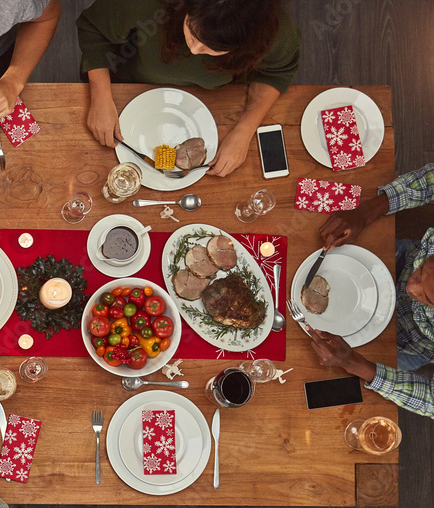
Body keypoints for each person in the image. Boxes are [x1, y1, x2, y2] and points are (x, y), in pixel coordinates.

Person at [77, 0, 301, 177]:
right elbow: (93, 30)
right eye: (192, 31)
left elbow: (275, 72)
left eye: (214, 48)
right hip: (126, 81)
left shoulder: (276, 32)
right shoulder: (140, 4)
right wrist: (100, 96)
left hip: (217, 102)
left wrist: (245, 131)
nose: (194, 49)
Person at [309, 163, 434, 418]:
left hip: (403, 343)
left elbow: (430, 400)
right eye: (425, 270)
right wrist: (366, 213)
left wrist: (355, 364)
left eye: (428, 298)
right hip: (396, 258)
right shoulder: (411, 273)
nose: (412, 287)